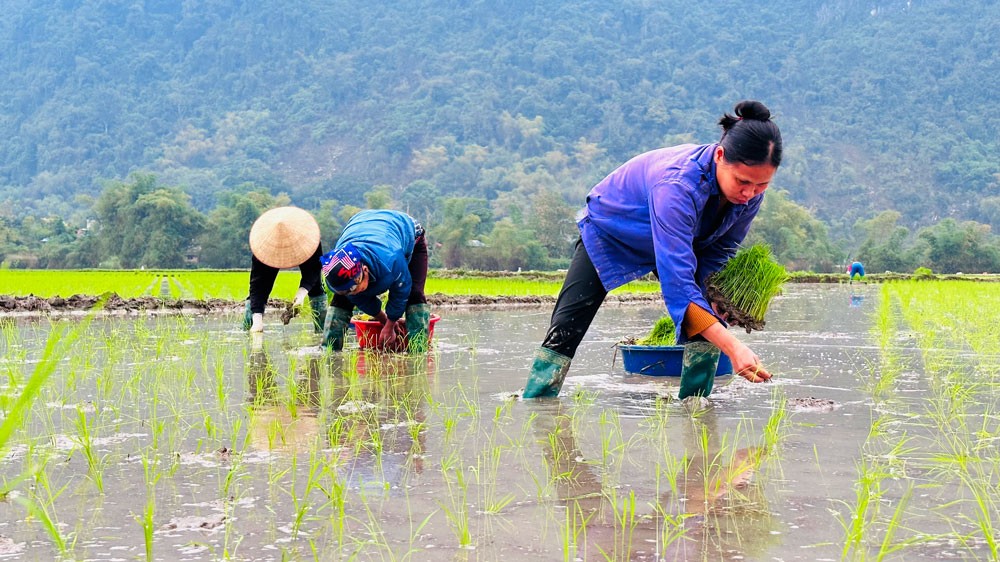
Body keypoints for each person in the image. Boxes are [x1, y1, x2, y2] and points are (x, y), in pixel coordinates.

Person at [522, 100, 781, 398]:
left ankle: (695, 407)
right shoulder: (677, 185)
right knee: (568, 326)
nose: (749, 193)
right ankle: (538, 404)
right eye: (742, 182)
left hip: (682, 242)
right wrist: (734, 347)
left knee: (706, 311)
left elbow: (721, 249)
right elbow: (678, 285)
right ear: (720, 156)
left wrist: (715, 299)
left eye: (761, 186)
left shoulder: (749, 194)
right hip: (613, 231)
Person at [320, 209, 431, 353]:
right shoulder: (336, 265)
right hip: (362, 224)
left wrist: (391, 324)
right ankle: (329, 351)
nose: (351, 292)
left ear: (365, 270)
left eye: (354, 287)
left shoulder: (390, 260)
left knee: (414, 293)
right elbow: (355, 295)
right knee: (342, 299)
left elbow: (401, 290)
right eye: (346, 290)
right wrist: (383, 320)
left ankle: (419, 351)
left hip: (406, 230)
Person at [242, 206, 327, 333]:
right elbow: (257, 286)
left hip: (303, 245)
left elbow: (313, 271)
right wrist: (257, 320)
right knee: (258, 295)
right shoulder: (263, 247)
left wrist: (301, 294)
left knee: (315, 288)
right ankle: (248, 331)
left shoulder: (310, 240)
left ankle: (323, 334)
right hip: (270, 251)